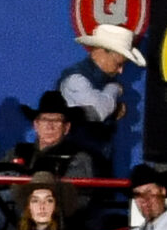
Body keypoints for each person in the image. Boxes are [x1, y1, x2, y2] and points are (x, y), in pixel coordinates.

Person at [56, 23, 142, 161]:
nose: (121, 71)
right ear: (102, 52)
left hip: (97, 158)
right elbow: (99, 111)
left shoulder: (98, 81)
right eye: (118, 63)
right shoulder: (75, 79)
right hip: (74, 163)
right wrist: (114, 88)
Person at [10, 172, 88, 230]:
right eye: (35, 201)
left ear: (56, 206)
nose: (42, 206)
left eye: (49, 201)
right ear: (28, 207)